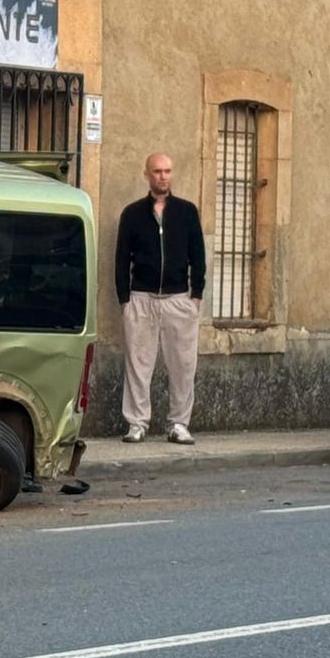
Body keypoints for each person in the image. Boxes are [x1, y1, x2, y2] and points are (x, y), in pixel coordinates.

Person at [115, 153, 207, 444]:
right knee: (138, 364)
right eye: (157, 171)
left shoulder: (186, 212)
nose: (163, 176)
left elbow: (198, 255)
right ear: (147, 174)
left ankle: (179, 423)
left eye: (167, 171)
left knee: (183, 365)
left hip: (178, 299)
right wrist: (124, 298)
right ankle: (136, 423)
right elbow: (121, 258)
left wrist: (196, 295)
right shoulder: (132, 214)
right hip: (141, 298)